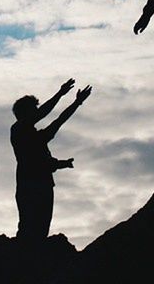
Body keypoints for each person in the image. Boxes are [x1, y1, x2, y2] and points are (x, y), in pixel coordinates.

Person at [10, 78, 92, 243]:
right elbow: (49, 118)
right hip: (32, 185)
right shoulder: (19, 130)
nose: (37, 112)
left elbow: (57, 122)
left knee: (39, 230)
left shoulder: (33, 134)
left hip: (41, 184)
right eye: (33, 109)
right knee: (29, 230)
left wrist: (75, 102)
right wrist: (61, 95)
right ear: (25, 113)